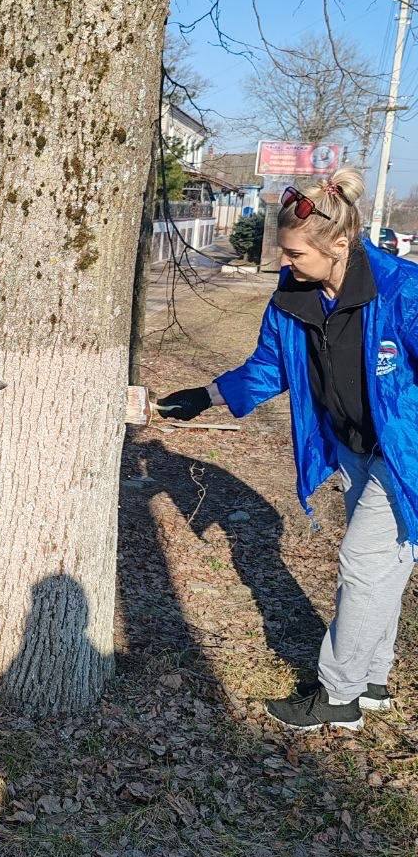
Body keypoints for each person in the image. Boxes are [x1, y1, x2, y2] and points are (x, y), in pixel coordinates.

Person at [160, 167, 418, 731]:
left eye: (297, 253)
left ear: (340, 244)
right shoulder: (294, 297)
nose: (287, 262)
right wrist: (207, 396)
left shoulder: (402, 291)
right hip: (352, 449)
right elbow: (270, 365)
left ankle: (339, 696)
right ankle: (372, 680)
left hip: (405, 459)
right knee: (383, 569)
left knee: (364, 563)